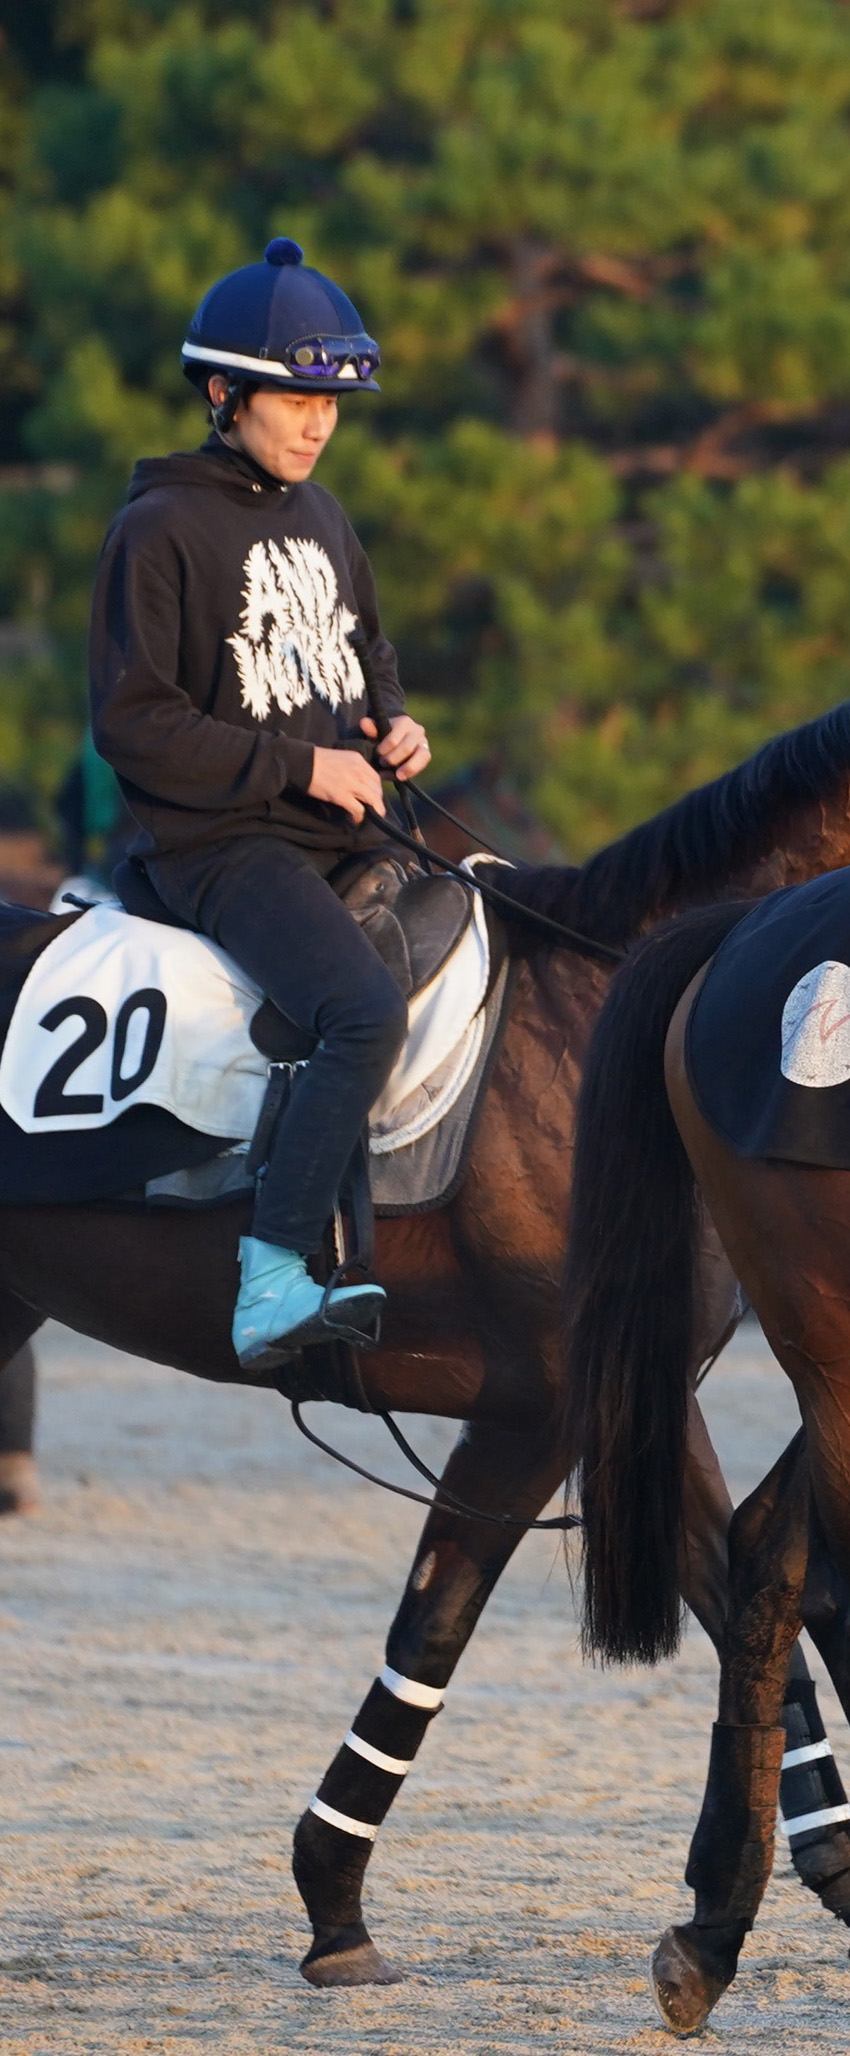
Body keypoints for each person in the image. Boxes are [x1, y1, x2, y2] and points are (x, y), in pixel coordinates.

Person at [89, 238, 429, 1371]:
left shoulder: (323, 513)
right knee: (365, 1013)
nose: (318, 421)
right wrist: (300, 767)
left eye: (330, 400)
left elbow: (363, 646)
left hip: (339, 825)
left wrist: (391, 722)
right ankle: (273, 1273)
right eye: (295, 396)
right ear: (223, 393)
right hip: (220, 846)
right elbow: (135, 724)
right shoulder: (157, 530)